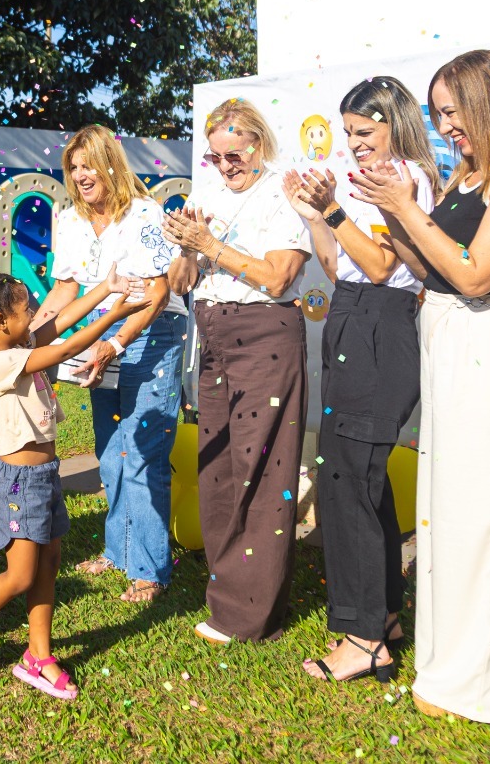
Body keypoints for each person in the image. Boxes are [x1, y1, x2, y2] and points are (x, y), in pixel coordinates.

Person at [350, 50, 490, 725]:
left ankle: (479, 681)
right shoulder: (471, 175)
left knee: (486, 515)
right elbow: (428, 265)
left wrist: (408, 208)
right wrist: (386, 211)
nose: (445, 127)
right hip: (452, 343)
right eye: (437, 114)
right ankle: (446, 659)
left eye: (453, 112)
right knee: (451, 513)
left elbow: (474, 275)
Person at [281, 77, 437, 683]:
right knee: (353, 474)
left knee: (352, 480)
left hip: (379, 327)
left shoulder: (407, 181)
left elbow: (379, 266)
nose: (353, 144)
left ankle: (364, 637)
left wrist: (334, 210)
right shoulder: (365, 185)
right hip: (351, 315)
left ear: (395, 125)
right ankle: (381, 619)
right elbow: (336, 265)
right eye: (348, 133)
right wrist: (314, 218)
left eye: (364, 132)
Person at [0, 266, 147, 700]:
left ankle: (38, 656)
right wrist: (117, 314)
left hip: (45, 477)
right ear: (0, 323)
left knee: (48, 565)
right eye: (25, 308)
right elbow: (70, 344)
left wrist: (106, 287)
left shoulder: (17, 342)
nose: (33, 312)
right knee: (20, 575)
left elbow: (60, 324)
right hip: (18, 484)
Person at [164, 98, 313, 645]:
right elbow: (183, 281)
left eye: (234, 154)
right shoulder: (205, 193)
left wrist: (210, 245)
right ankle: (226, 595)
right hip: (214, 337)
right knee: (220, 468)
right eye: (215, 156)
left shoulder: (282, 192)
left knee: (263, 468)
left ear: (258, 144)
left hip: (264, 338)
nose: (224, 165)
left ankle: (253, 615)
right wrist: (185, 249)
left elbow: (277, 277)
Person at [38, 124, 187, 604]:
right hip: (102, 335)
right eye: (73, 167)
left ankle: (150, 568)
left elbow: (160, 291)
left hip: (153, 332)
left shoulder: (144, 214)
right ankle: (120, 550)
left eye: (88, 164)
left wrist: (114, 345)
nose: (81, 175)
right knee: (110, 451)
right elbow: (64, 290)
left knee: (142, 452)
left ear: (110, 163)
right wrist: (28, 340)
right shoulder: (71, 219)